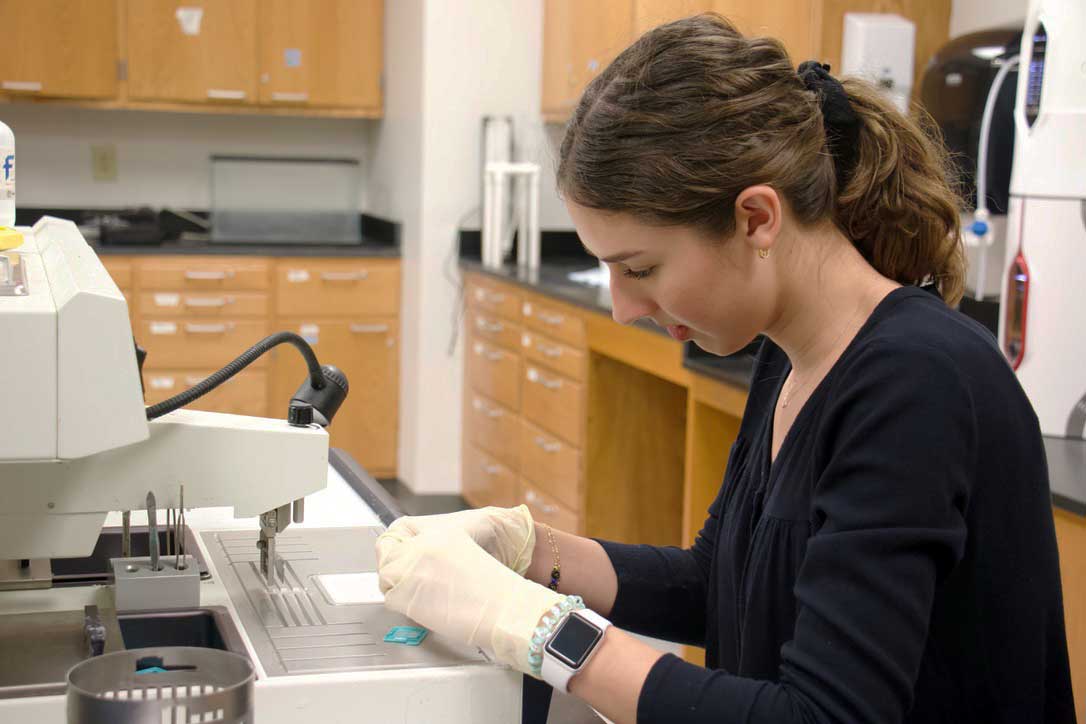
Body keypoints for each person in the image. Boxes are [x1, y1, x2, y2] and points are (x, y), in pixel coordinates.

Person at [376, 13, 1075, 724]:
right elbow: (719, 585)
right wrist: (529, 551)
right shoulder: (789, 353)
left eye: (641, 268)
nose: (622, 307)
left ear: (756, 219)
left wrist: (541, 631)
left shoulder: (916, 385)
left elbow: (823, 716)